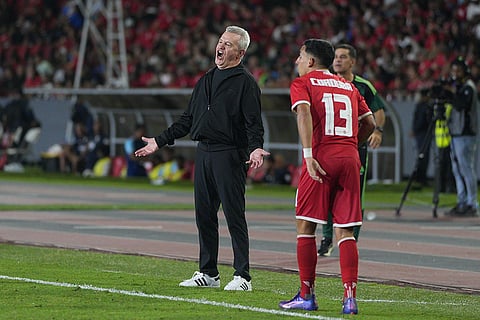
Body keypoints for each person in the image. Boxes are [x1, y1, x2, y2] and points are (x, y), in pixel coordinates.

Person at [134, 26, 270, 291]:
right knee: (204, 215)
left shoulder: (246, 83)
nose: (221, 47)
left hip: (229, 154)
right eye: (220, 42)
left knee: (234, 215)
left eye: (228, 45)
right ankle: (208, 273)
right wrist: (159, 141)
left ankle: (242, 276)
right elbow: (188, 120)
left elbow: (254, 122)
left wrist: (256, 148)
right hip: (204, 153)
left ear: (240, 53)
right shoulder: (206, 79)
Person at [278, 39, 375, 314]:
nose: (296, 61)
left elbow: (304, 113)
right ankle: (349, 299)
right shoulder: (349, 86)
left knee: (306, 226)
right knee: (346, 232)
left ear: (310, 61)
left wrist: (309, 154)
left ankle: (307, 295)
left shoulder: (303, 83)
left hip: (321, 159)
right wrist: (351, 146)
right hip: (349, 159)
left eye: (299, 56)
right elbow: (370, 123)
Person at [317, 44, 386, 257]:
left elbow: (378, 111)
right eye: (336, 57)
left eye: (343, 57)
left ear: (352, 62)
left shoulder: (363, 86)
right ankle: (327, 237)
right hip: (330, 148)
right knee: (327, 193)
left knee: (354, 194)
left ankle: (350, 239)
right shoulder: (326, 82)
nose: (337, 60)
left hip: (355, 149)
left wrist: (378, 131)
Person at [445, 57, 479, 217]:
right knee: (457, 170)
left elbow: (461, 105)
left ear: (464, 71)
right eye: (453, 70)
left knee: (466, 169)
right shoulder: (459, 87)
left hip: (466, 134)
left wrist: (451, 93)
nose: (455, 74)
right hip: (456, 133)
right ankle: (462, 201)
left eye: (458, 70)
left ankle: (472, 203)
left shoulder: (468, 87)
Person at [411, 88, 433, 189]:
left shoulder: (420, 106)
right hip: (424, 134)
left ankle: (419, 177)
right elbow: (422, 121)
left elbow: (416, 120)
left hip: (420, 134)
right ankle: (421, 178)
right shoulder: (426, 107)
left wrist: (414, 130)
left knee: (421, 156)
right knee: (423, 156)